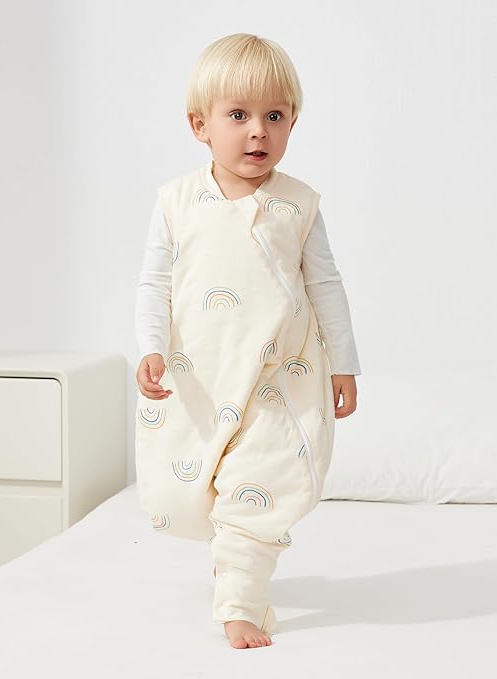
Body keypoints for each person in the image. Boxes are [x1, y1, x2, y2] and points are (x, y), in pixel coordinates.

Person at [134, 33, 361, 649]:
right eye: (238, 115)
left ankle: (239, 598)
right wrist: (151, 346)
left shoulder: (299, 205)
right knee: (182, 493)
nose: (258, 131)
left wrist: (344, 364)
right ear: (199, 125)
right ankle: (233, 554)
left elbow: (326, 285)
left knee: (264, 484)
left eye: (275, 116)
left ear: (292, 123)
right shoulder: (177, 202)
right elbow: (155, 282)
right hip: (200, 378)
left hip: (278, 380)